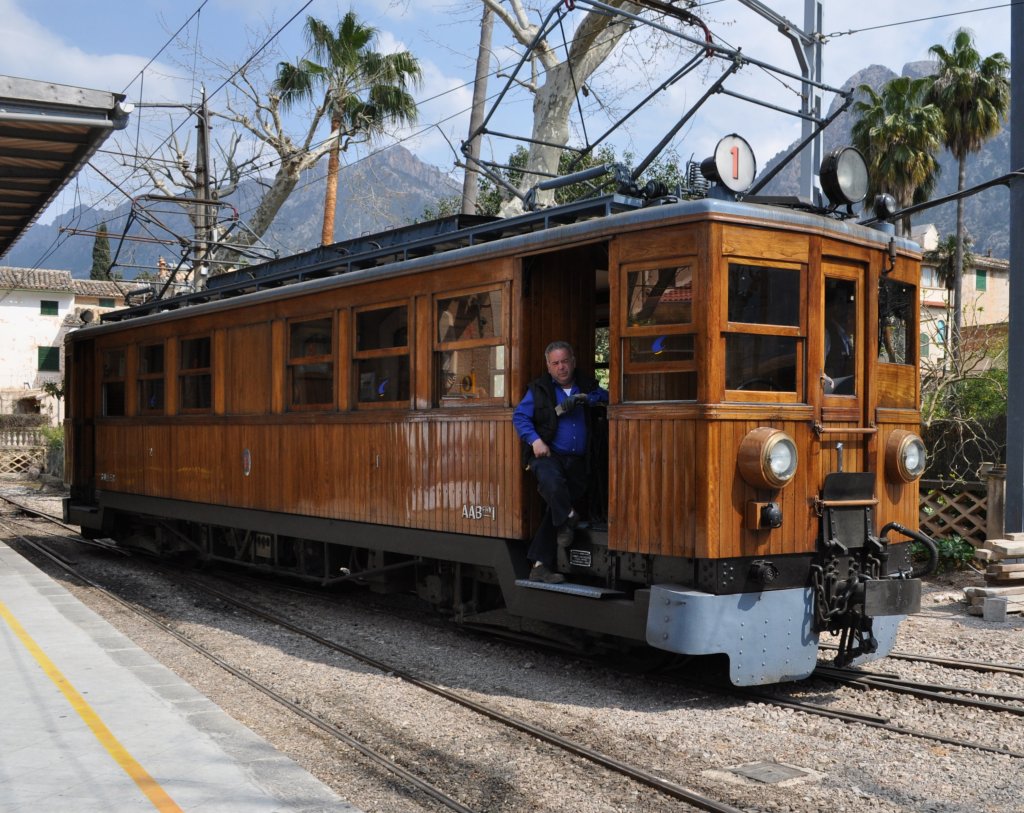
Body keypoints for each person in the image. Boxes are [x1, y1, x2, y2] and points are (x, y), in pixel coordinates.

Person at [513, 341, 608, 583]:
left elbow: (606, 397)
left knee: (554, 508)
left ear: (573, 361)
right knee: (552, 484)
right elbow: (520, 417)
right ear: (548, 366)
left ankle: (540, 564)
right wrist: (535, 441)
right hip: (548, 455)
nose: (561, 367)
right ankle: (567, 515)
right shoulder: (539, 389)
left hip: (579, 460)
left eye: (565, 361)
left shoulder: (587, 384)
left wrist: (585, 398)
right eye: (555, 363)